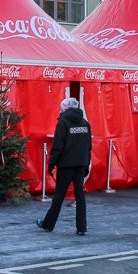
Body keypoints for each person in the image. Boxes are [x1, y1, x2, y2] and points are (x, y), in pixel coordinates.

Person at [36, 97, 91, 236]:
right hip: (80, 164)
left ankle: (48, 224)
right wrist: (86, 164)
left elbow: (58, 146)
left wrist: (51, 164)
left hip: (66, 165)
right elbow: (88, 147)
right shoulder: (85, 123)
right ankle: (81, 227)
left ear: (65, 109)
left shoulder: (63, 123)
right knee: (80, 197)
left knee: (59, 196)